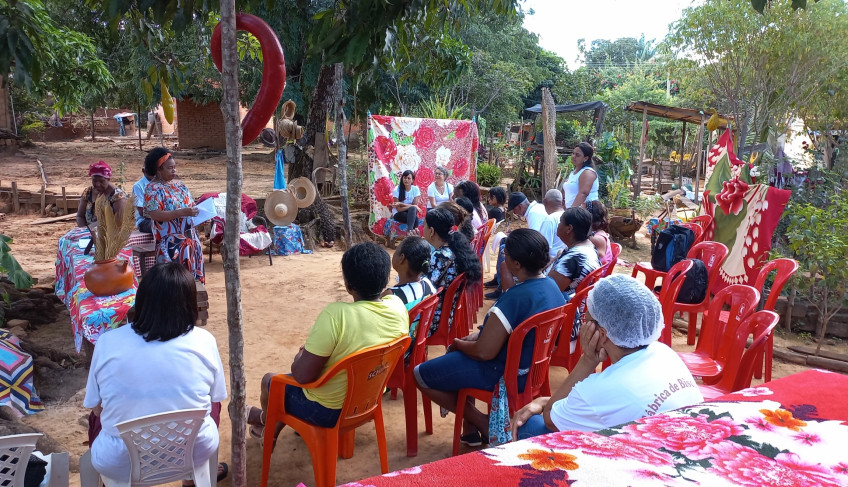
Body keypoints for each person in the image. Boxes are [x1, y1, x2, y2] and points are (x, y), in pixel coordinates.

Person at [416, 229, 565, 446]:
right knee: (460, 363)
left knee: (421, 374)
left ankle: (481, 422)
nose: (503, 258)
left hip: (502, 372)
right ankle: (469, 431)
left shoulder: (514, 297)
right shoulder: (552, 287)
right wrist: (477, 338)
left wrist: (458, 344)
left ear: (515, 264)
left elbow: (484, 352)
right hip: (530, 369)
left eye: (506, 255)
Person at [247, 243, 408, 442]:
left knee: (270, 381)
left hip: (328, 411)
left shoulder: (336, 315)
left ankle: (266, 424)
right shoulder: (397, 305)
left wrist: (300, 354)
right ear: (385, 281)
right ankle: (267, 423)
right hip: (369, 398)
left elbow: (302, 375)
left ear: (348, 286)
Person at [83, 262, 228, 483]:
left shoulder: (107, 343)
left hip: (122, 462)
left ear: (140, 301)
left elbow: (96, 408)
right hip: (193, 451)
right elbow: (216, 397)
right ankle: (193, 479)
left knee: (98, 418)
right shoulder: (204, 340)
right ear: (189, 304)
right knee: (212, 403)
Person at [510, 275, 704, 440]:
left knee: (531, 426)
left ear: (601, 334)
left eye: (587, 319)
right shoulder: (664, 353)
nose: (584, 324)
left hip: (651, 468)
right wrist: (546, 401)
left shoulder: (601, 390)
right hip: (685, 450)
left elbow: (550, 418)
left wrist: (588, 360)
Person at [143, 147, 204, 283]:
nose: (174, 170)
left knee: (192, 284)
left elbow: (192, 208)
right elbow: (155, 214)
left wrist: (200, 216)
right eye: (170, 168)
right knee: (173, 284)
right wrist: (182, 212)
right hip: (170, 247)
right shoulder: (152, 189)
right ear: (159, 170)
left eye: (175, 167)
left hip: (191, 242)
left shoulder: (180, 186)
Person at [422, 208, 482, 335]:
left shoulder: (440, 256)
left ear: (431, 231)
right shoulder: (454, 248)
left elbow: (424, 287)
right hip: (448, 314)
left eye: (424, 226)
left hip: (433, 319)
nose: (422, 229)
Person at [484, 192, 550, 300]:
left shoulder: (534, 213)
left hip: (537, 251)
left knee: (504, 250)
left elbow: (533, 239)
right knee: (504, 242)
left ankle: (501, 288)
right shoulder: (536, 209)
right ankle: (499, 278)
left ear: (519, 206)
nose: (515, 213)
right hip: (538, 247)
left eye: (514, 210)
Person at [383, 236, 437, 346]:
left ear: (402, 258)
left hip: (400, 352)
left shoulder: (392, 295)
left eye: (396, 250)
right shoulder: (428, 284)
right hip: (417, 344)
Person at [76, 161, 128, 228]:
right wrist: (84, 231)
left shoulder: (117, 196)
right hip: (88, 232)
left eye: (101, 181)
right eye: (94, 180)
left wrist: (93, 230)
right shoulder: (88, 192)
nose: (97, 184)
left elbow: (119, 222)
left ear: (108, 179)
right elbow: (80, 216)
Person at [560, 142, 599, 209]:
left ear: (586, 158)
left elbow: (582, 194)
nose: (573, 156)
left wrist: (571, 213)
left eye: (577, 155)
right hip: (573, 212)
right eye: (573, 153)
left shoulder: (588, 172)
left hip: (585, 213)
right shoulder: (573, 173)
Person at [538, 189, 565, 260]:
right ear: (562, 202)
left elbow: (542, 248)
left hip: (552, 263)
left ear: (544, 202)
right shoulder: (567, 216)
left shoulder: (550, 220)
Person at [588, 200, 613, 265]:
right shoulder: (596, 233)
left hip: (598, 273)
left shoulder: (597, 238)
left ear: (589, 216)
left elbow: (599, 255)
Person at [132, 166, 153, 233]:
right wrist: (162, 216)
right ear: (144, 171)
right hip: (144, 221)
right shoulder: (138, 186)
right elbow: (142, 212)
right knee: (162, 226)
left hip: (160, 218)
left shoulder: (160, 184)